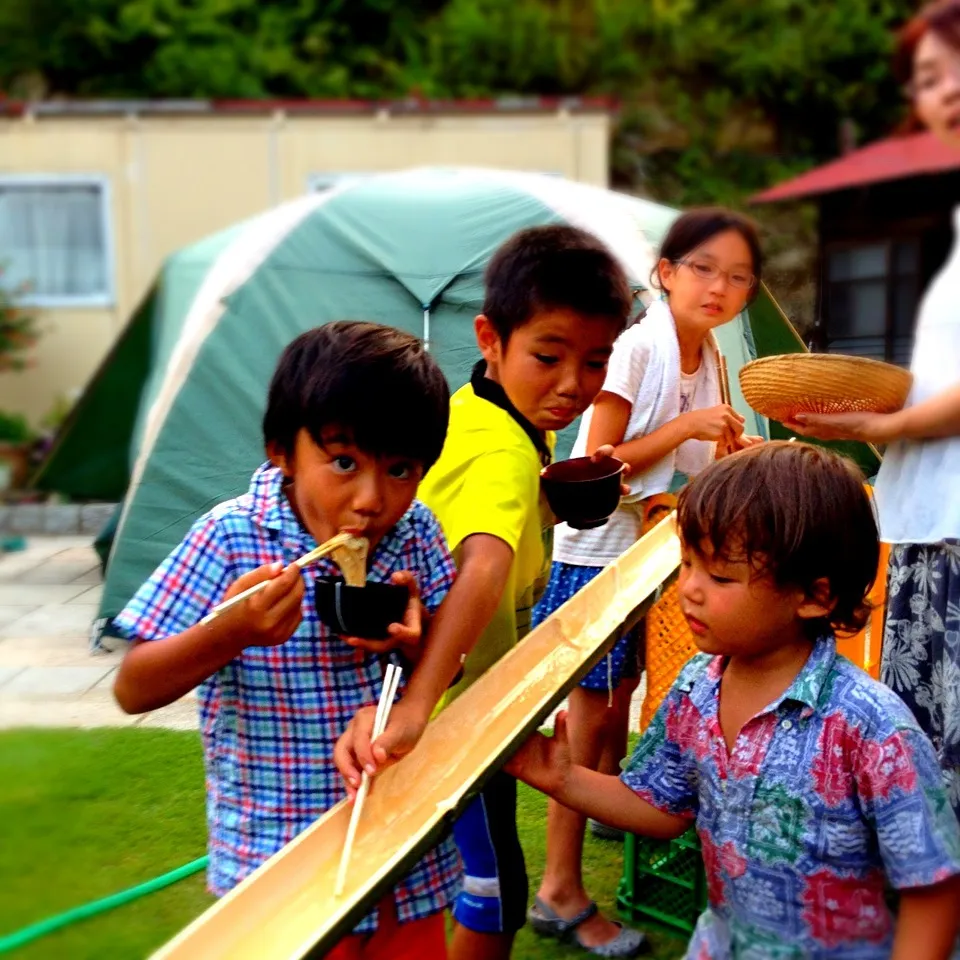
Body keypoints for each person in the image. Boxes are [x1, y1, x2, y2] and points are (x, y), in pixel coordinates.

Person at [508, 441, 960, 959]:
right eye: (687, 563)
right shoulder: (697, 685)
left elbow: (933, 885)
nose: (689, 590)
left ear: (814, 597)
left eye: (720, 575)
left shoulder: (871, 728)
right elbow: (662, 805)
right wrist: (564, 778)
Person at [111, 322, 460, 960]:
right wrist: (229, 630)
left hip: (403, 860)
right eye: (344, 461)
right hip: (278, 864)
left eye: (401, 469)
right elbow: (133, 688)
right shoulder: (230, 537)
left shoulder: (415, 533)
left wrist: (416, 645)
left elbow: (446, 661)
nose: (370, 500)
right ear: (281, 450)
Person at [335, 225, 634, 960]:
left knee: (482, 873)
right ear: (490, 337)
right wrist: (414, 709)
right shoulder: (504, 447)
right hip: (448, 715)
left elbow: (467, 525)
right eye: (549, 356)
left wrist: (551, 505)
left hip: (466, 704)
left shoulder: (485, 413)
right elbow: (482, 568)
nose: (573, 384)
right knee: (492, 891)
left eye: (596, 361)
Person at [526, 208, 762, 956]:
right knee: (587, 723)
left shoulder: (713, 360)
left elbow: (701, 470)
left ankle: (596, 815)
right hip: (596, 556)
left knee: (618, 710)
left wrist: (742, 452)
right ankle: (558, 892)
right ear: (665, 273)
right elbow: (598, 464)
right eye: (703, 268)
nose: (719, 287)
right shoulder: (634, 348)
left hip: (651, 559)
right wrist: (688, 432)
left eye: (737, 276)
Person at [786, 0, 960, 817]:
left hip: (953, 533)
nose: (946, 90)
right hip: (926, 523)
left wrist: (877, 426)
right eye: (930, 78)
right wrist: (871, 416)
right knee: (920, 756)